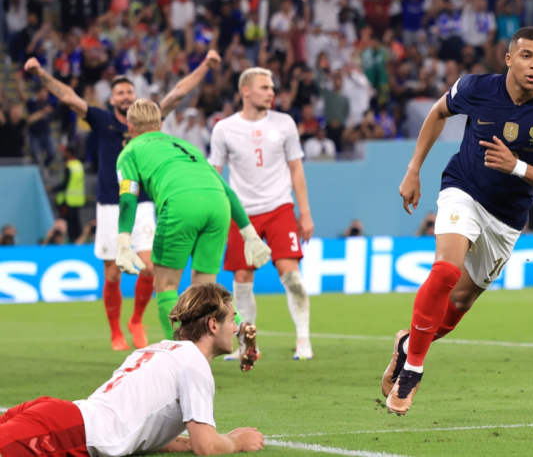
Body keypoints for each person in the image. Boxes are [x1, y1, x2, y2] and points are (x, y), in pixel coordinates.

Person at [382, 27, 533, 415]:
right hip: (463, 189)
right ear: (508, 59)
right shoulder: (475, 87)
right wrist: (413, 169)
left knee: (458, 303)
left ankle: (407, 346)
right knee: (444, 273)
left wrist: (519, 167)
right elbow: (439, 111)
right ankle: (413, 373)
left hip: (507, 217)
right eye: (527, 56)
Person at [24, 51, 218, 351]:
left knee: (151, 267)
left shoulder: (150, 116)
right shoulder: (101, 120)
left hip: (141, 205)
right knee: (112, 272)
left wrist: (205, 65)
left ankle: (136, 320)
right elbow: (69, 97)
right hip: (110, 205)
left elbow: (179, 92)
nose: (126, 95)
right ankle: (116, 331)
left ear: (135, 97)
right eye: (120, 92)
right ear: (112, 99)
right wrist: (40, 74)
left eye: (129, 91)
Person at [0, 283, 265, 456]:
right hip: (69, 431)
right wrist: (237, 442)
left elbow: (153, 436)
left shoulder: (158, 349)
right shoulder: (193, 362)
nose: (235, 328)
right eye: (232, 320)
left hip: (59, 416)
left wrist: (214, 438)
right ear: (212, 325)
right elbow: (205, 446)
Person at [116, 99, 272, 371]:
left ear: (130, 126)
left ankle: (178, 361)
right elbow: (227, 190)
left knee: (166, 286)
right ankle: (240, 326)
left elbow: (128, 199)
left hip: (180, 205)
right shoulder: (186, 146)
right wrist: (250, 234)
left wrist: (123, 241)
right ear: (160, 125)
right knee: (204, 292)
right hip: (217, 206)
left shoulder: (130, 150)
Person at [209, 67, 315, 361]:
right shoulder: (224, 129)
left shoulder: (284, 123)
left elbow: (296, 169)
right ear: (245, 91)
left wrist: (304, 212)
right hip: (241, 213)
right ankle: (247, 343)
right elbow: (215, 176)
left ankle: (303, 340)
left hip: (280, 207)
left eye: (272, 87)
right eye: (264, 87)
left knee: (291, 276)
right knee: (242, 279)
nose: (271, 92)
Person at [51, 146, 86, 242]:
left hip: (69, 199)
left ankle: (71, 242)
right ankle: (78, 241)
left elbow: (64, 184)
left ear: (68, 153)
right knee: (76, 222)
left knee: (69, 224)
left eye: (64, 152)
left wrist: (52, 189)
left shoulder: (69, 166)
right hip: (78, 198)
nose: (63, 154)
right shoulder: (79, 164)